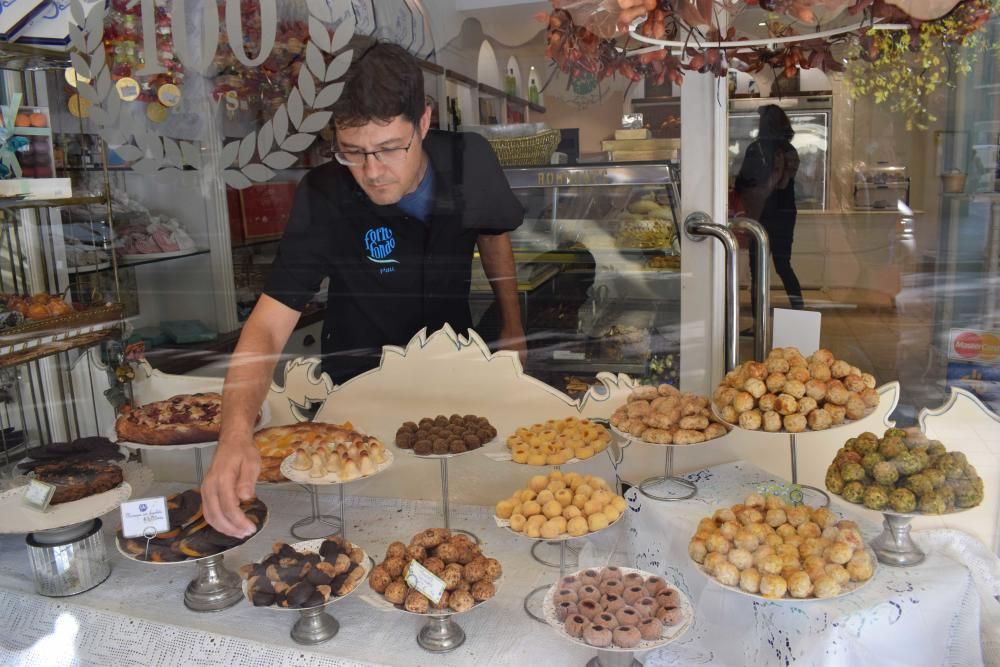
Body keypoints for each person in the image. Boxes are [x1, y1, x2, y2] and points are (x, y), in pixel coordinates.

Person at [202, 42, 526, 538]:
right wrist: (235, 432)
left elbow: (494, 235)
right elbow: (268, 324)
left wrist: (513, 328)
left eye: (390, 147)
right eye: (352, 151)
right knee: (371, 520)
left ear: (423, 122)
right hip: (358, 381)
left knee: (459, 507)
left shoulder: (468, 161)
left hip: (452, 365)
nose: (372, 171)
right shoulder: (325, 192)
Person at [734, 104, 804, 334]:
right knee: (784, 266)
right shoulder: (790, 150)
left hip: (760, 215)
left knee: (758, 271)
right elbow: (785, 183)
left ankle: (758, 325)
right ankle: (800, 319)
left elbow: (742, 181)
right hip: (784, 214)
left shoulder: (756, 149)